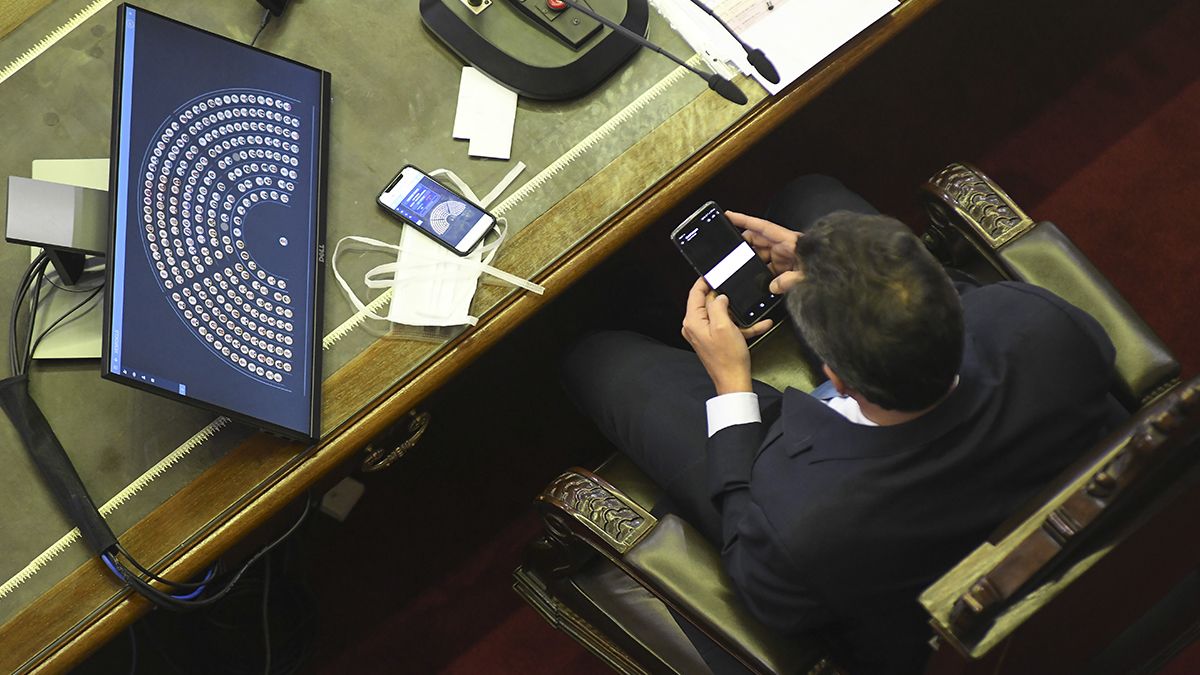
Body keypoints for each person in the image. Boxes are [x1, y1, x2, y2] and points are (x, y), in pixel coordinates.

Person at [562, 175, 1126, 674]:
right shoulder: (1040, 321)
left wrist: (731, 386)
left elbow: (758, 579)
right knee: (808, 194)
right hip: (1091, 558)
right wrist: (837, 266)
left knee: (599, 361)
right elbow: (968, 301)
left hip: (896, 607)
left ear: (836, 378)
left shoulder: (802, 528)